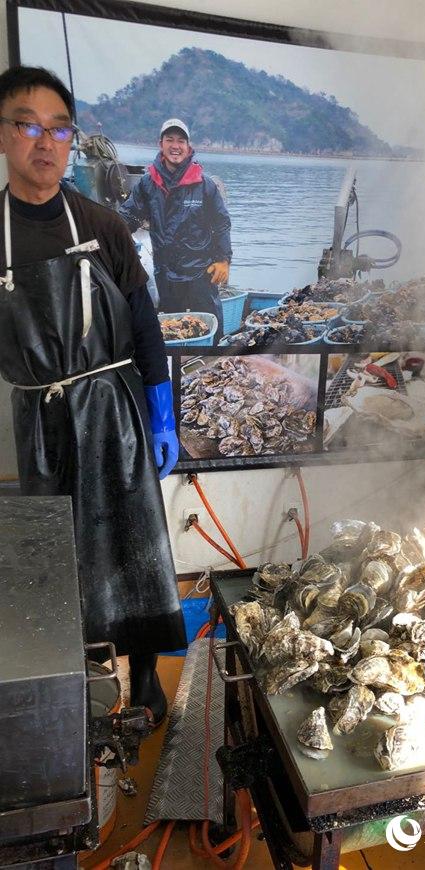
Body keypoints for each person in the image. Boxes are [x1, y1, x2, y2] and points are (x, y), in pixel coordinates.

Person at [0, 66, 186, 726]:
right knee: (58, 557)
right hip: (43, 422)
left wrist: (162, 413)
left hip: (113, 412)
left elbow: (144, 322)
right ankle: (72, 681)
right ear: (4, 136)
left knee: (133, 549)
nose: (43, 141)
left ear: (71, 140)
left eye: (57, 127)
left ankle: (143, 682)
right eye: (26, 124)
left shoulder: (103, 225)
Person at [119, 118, 232, 336]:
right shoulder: (147, 183)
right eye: (169, 139)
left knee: (211, 329)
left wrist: (223, 259)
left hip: (201, 274)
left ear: (188, 147)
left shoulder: (205, 184)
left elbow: (221, 223)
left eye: (181, 140)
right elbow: (128, 216)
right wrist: (107, 241)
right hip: (166, 275)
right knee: (172, 331)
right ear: (160, 143)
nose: (175, 146)